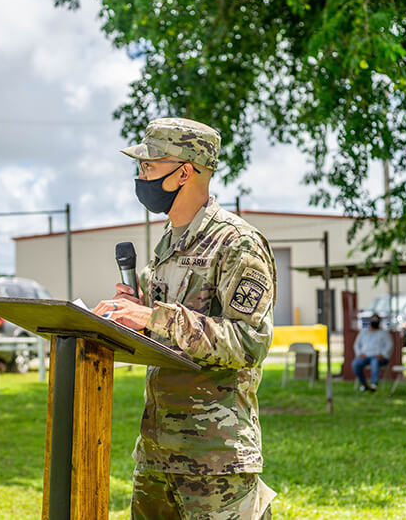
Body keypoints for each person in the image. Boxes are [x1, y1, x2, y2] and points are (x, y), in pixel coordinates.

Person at [92, 118, 277, 520]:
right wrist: (134, 313)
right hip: (158, 452)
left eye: (149, 167)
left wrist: (155, 315)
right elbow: (169, 328)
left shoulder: (237, 242)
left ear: (184, 172)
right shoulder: (169, 242)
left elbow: (249, 343)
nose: (141, 176)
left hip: (216, 458)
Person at [352, 313, 393, 392]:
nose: (374, 321)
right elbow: (356, 345)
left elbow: (389, 345)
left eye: (376, 320)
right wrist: (359, 354)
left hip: (378, 357)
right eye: (373, 319)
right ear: (369, 321)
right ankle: (364, 385)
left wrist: (383, 355)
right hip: (365, 356)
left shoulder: (384, 333)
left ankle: (374, 385)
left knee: (375, 362)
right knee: (355, 364)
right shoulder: (363, 332)